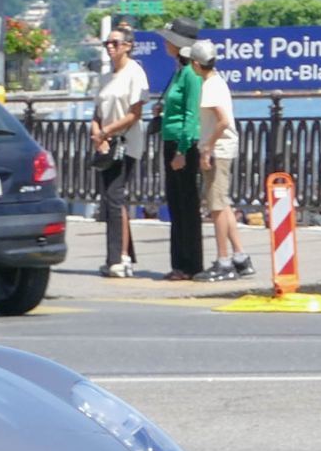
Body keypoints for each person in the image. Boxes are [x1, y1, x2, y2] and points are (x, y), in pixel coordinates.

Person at [90, 30, 148, 278]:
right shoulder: (104, 78)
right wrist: (97, 134)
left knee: (115, 197)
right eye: (107, 43)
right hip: (106, 142)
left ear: (128, 46)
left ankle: (117, 257)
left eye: (115, 43)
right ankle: (123, 254)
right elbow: (97, 111)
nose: (110, 47)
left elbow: (135, 114)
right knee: (112, 198)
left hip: (126, 142)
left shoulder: (135, 73)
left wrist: (107, 131)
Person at [159, 41, 208, 280]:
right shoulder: (179, 71)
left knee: (187, 205)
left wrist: (182, 150)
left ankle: (191, 264)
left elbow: (192, 113)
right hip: (171, 141)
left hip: (183, 144)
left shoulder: (190, 73)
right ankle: (178, 262)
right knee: (175, 205)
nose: (165, 44)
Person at [199, 50, 247, 280]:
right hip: (223, 148)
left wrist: (208, 148)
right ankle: (240, 257)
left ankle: (224, 261)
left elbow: (223, 121)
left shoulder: (209, 86)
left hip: (218, 149)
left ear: (197, 63)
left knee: (216, 207)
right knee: (223, 202)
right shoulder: (217, 81)